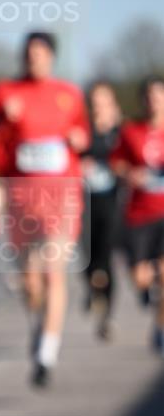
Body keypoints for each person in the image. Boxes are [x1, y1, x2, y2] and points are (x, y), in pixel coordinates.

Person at [0, 32, 89, 387]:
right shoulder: (4, 93)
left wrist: (80, 141)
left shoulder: (68, 94)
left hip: (62, 193)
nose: (33, 59)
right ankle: (41, 324)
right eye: (28, 53)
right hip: (21, 195)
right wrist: (0, 121)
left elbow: (85, 134)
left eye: (40, 54)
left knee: (54, 272)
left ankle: (46, 353)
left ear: (51, 57)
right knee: (30, 280)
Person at [110, 75, 164, 354]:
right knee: (140, 277)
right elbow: (115, 164)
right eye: (150, 97)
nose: (154, 102)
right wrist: (129, 174)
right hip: (139, 215)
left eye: (159, 96)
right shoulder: (132, 132)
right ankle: (147, 292)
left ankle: (160, 326)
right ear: (143, 101)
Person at [80, 81, 122, 340]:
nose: (98, 107)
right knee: (86, 259)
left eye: (103, 101)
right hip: (85, 204)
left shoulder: (121, 133)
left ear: (112, 103)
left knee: (104, 261)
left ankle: (107, 316)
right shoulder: (82, 132)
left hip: (113, 204)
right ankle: (92, 290)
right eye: (94, 102)